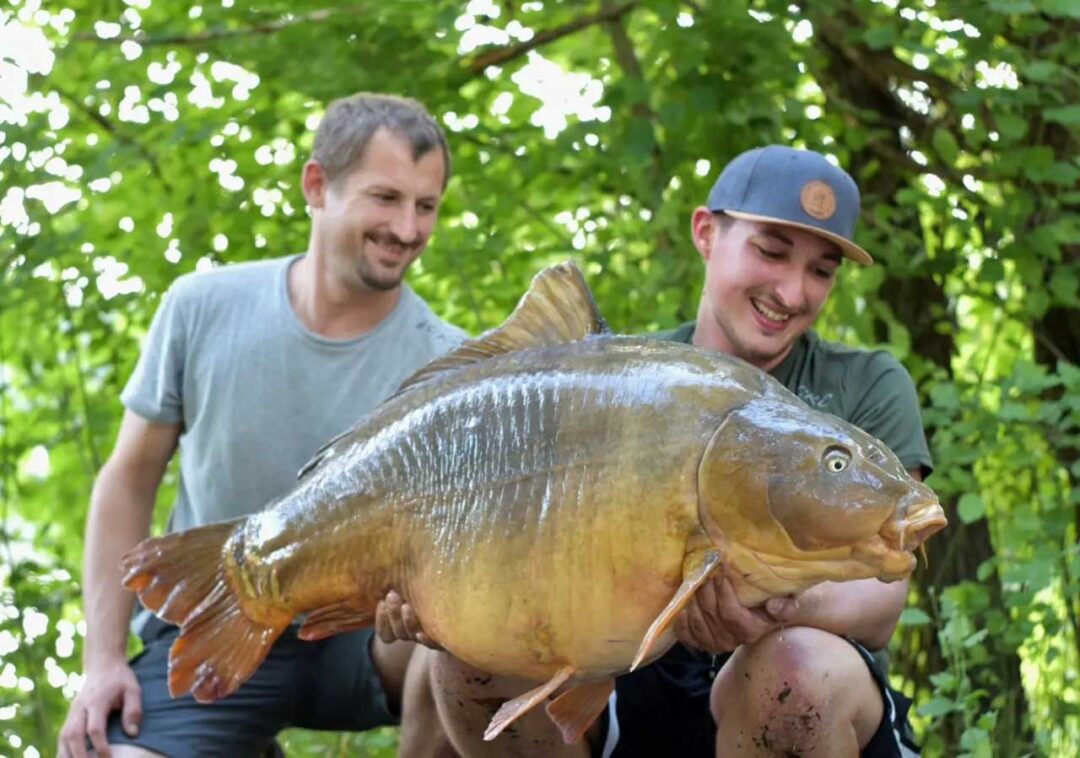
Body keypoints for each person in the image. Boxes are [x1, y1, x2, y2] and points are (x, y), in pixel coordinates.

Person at [381, 145, 933, 758]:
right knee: (462, 668)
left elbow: (883, 599)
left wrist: (770, 601)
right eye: (770, 251)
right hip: (633, 676)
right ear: (706, 232)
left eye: (821, 271)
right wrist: (438, 595)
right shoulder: (619, 382)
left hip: (803, 681)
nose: (792, 290)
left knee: (792, 673)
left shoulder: (867, 383)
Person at [57, 92, 466, 758]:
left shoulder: (449, 362)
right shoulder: (201, 306)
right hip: (217, 618)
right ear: (317, 186)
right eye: (385, 198)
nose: (408, 228)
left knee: (467, 657)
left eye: (427, 206)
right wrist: (101, 661)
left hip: (368, 639)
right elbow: (128, 482)